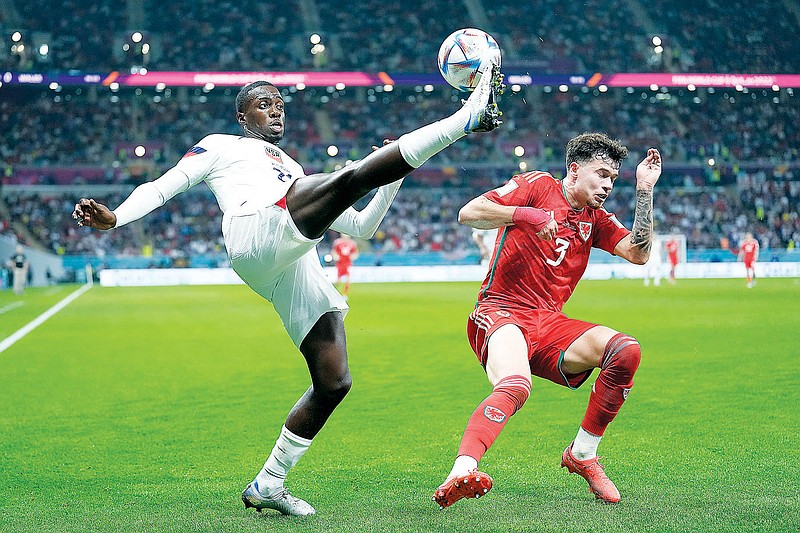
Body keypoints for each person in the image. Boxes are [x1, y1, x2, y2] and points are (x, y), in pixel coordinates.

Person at [73, 64, 504, 516]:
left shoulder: (293, 168)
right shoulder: (222, 146)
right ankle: (466, 118)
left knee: (334, 380)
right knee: (349, 177)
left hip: (292, 262)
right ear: (243, 117)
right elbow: (165, 185)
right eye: (264, 105)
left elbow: (363, 227)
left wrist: (390, 178)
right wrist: (117, 217)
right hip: (254, 230)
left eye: (280, 105)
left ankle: (269, 483)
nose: (276, 111)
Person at [432, 133, 661, 508]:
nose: (606, 186)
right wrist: (528, 214)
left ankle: (583, 453)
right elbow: (469, 212)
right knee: (516, 385)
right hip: (501, 310)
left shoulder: (596, 219)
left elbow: (638, 254)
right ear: (574, 169)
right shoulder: (537, 185)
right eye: (601, 174)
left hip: (550, 322)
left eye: (613, 179)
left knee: (625, 351)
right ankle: (460, 471)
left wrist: (644, 190)